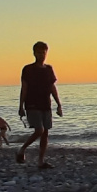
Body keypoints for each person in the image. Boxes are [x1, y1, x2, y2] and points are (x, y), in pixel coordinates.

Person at [17, 41, 62, 169]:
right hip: (32, 104)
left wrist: (59, 104)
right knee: (39, 130)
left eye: (43, 52)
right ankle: (22, 149)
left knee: (45, 133)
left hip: (45, 104)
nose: (41, 55)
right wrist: (21, 106)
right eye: (39, 53)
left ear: (46, 53)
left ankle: (41, 162)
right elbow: (24, 88)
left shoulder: (49, 69)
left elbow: (52, 87)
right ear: (34, 53)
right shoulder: (28, 69)